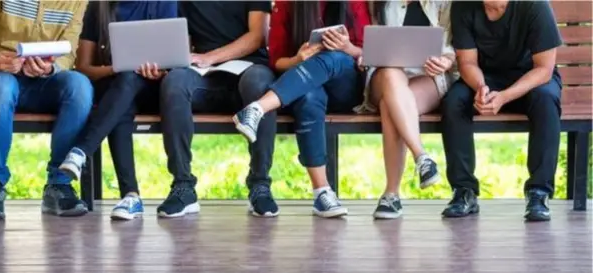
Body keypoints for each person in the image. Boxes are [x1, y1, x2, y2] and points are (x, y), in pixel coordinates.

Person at [232, 0, 371, 218]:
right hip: (302, 85)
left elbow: (368, 52)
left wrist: (347, 48)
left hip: (345, 88)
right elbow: (277, 61)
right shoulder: (288, 3)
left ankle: (258, 108)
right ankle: (322, 192)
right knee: (308, 97)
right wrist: (299, 59)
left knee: (332, 58)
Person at [0, 0, 91, 220]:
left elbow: (68, 52)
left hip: (41, 81)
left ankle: (59, 184)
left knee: (80, 86)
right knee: (3, 86)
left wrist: (51, 67)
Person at [442, 0, 562, 222]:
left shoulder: (534, 5)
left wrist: (505, 96)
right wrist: (481, 88)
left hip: (531, 78)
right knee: (454, 101)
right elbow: (467, 62)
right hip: (485, 77)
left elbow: (544, 69)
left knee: (546, 100)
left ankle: (539, 193)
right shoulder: (463, 5)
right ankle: (463, 191)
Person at [59, 1, 178, 221]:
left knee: (125, 89)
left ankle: (81, 151)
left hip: (155, 90)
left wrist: (159, 71)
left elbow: (174, 58)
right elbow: (84, 68)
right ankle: (131, 197)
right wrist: (116, 68)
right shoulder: (98, 6)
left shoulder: (164, 3)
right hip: (114, 88)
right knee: (125, 87)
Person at [159, 1, 278, 218]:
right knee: (175, 82)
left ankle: (260, 184)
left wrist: (210, 57)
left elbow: (256, 36)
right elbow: (181, 43)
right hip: (205, 77)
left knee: (260, 84)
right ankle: (183, 185)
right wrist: (178, 60)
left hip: (249, 69)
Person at [361, 0, 455, 220]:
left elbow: (456, 47)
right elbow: (370, 42)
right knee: (392, 78)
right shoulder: (381, 3)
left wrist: (446, 61)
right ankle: (421, 155)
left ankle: (391, 194)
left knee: (391, 104)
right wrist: (365, 53)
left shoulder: (444, 3)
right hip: (385, 75)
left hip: (428, 77)